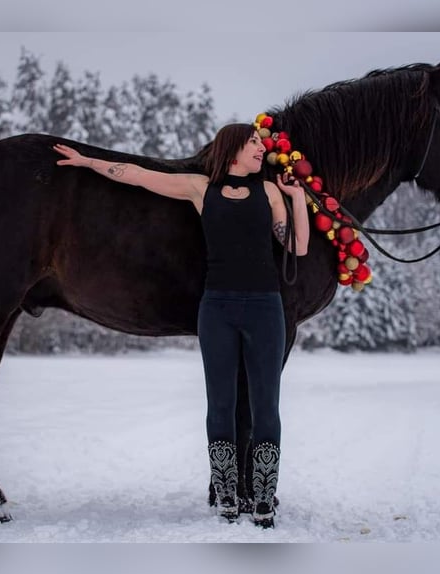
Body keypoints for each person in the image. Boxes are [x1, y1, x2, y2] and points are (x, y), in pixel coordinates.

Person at [53, 123, 310, 527]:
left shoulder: (271, 192)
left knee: (266, 406)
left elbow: (298, 245)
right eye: (254, 143)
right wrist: (87, 162)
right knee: (220, 405)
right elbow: (137, 177)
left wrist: (296, 199)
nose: (262, 149)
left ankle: (263, 498)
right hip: (217, 310)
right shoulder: (199, 188)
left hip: (265, 309)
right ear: (234, 148)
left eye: (261, 143)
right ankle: (226, 495)